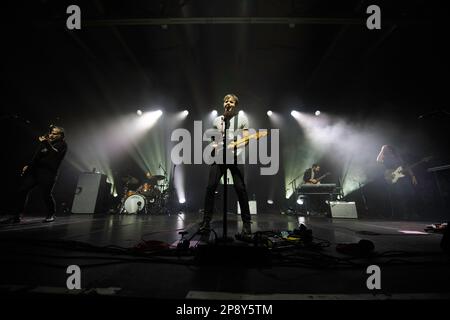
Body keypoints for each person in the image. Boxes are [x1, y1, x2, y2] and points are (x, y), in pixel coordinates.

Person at [199, 93, 252, 235]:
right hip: (219, 158)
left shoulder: (242, 119)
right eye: (226, 101)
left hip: (236, 158)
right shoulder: (217, 120)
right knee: (210, 188)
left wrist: (235, 146)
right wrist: (214, 146)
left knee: (240, 189)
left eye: (232, 102)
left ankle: (247, 223)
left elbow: (246, 140)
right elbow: (215, 139)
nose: (228, 103)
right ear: (224, 104)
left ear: (236, 105)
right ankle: (206, 221)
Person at [3, 125, 67, 223]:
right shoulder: (45, 143)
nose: (51, 135)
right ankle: (16, 216)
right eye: (51, 133)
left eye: (54, 134)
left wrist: (46, 142)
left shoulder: (62, 144)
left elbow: (54, 153)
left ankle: (51, 214)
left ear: (61, 135)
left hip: (48, 173)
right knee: (22, 190)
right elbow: (36, 155)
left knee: (46, 194)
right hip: (35, 171)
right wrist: (28, 165)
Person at [376, 145, 418, 219]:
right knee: (399, 196)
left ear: (390, 149)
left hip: (403, 177)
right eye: (384, 150)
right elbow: (378, 160)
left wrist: (413, 176)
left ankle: (413, 213)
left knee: (410, 194)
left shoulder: (398, 157)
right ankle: (402, 214)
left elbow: (406, 166)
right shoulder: (385, 158)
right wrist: (382, 150)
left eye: (386, 149)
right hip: (393, 177)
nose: (385, 150)